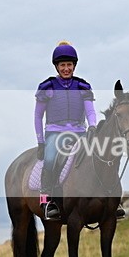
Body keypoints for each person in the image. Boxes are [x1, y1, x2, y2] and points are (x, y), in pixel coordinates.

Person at [34, 41, 104, 221]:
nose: (66, 68)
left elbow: (90, 110)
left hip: (79, 132)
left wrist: (93, 126)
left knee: (100, 155)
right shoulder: (47, 87)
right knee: (50, 159)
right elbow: (37, 117)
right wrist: (41, 141)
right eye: (63, 65)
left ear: (74, 65)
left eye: (69, 65)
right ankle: (47, 200)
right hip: (54, 133)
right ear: (57, 66)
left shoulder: (82, 86)